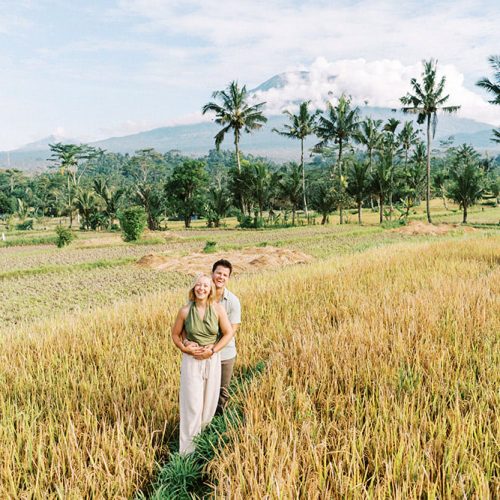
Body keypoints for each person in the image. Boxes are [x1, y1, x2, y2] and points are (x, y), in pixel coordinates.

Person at [171, 273, 233, 455]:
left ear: (211, 290)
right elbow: (175, 334)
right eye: (198, 285)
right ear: (193, 288)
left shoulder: (218, 309)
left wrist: (213, 350)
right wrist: (185, 348)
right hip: (191, 361)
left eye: (205, 286)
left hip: (211, 360)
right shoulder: (184, 311)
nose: (201, 288)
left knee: (209, 401)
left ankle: (202, 442)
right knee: (192, 402)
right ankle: (187, 451)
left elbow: (228, 333)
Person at [211, 259, 241, 414]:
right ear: (212, 274)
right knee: (205, 390)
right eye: (218, 273)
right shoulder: (200, 296)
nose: (221, 277)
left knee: (222, 391)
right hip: (204, 353)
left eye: (225, 275)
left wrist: (214, 349)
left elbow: (232, 331)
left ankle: (218, 420)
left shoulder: (233, 301)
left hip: (225, 353)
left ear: (228, 278)